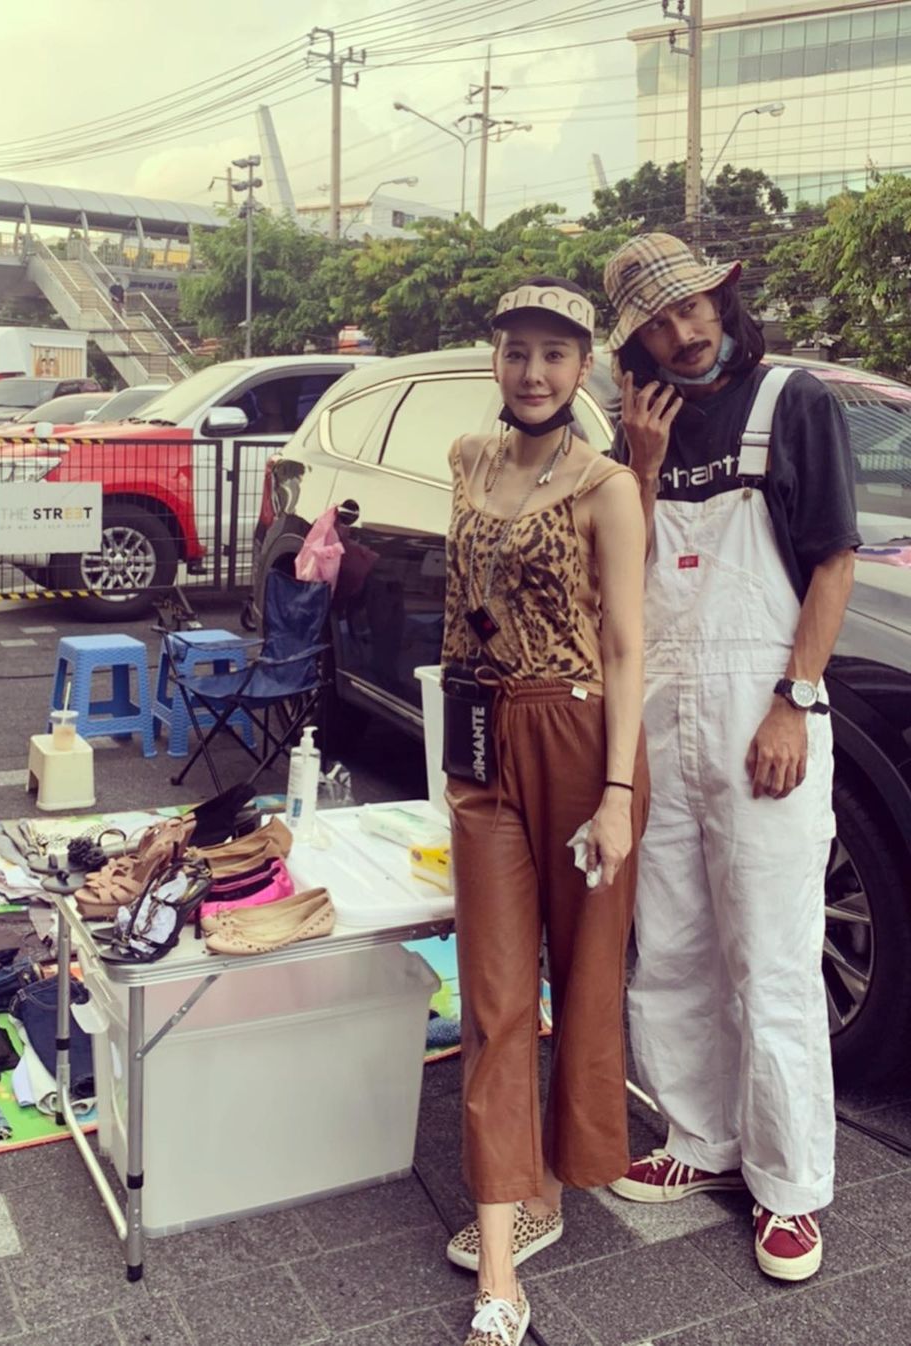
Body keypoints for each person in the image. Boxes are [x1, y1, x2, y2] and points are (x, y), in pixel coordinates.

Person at [601, 233, 859, 1282]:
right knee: (670, 943)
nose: (685, 331)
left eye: (695, 305)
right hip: (663, 713)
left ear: (722, 297)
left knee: (773, 955)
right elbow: (621, 583)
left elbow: (833, 561)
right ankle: (700, 1140)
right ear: (637, 345)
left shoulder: (793, 400)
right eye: (660, 323)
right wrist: (641, 465)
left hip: (765, 708)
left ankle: (790, 1186)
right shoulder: (636, 425)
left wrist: (796, 701)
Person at [441, 277, 649, 1346]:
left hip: (578, 736)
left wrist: (617, 794)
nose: (533, 372)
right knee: (493, 994)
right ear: (496, 356)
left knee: (585, 973)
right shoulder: (466, 461)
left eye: (554, 355)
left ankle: (551, 1184)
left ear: (583, 368)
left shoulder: (608, 487)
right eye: (517, 351)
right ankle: (501, 1269)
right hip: (482, 738)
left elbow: (625, 646)